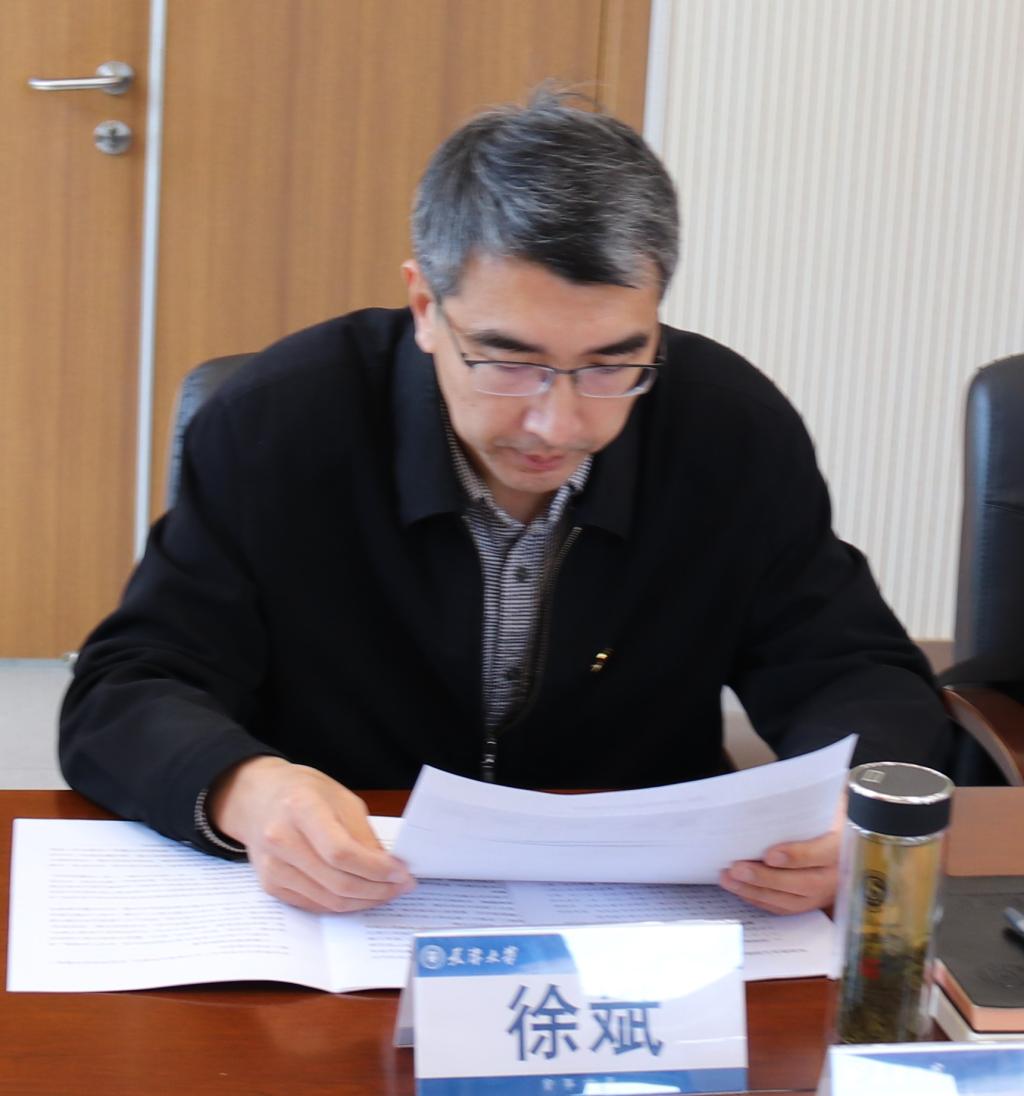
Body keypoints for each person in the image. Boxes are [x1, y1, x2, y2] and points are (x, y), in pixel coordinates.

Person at [60, 90, 953, 920]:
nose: (558, 423)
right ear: (425, 306)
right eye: (509, 361)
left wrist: (855, 812)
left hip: (646, 912)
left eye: (612, 363)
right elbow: (128, 686)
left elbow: (852, 669)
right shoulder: (281, 423)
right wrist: (247, 790)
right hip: (351, 896)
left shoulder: (730, 431)